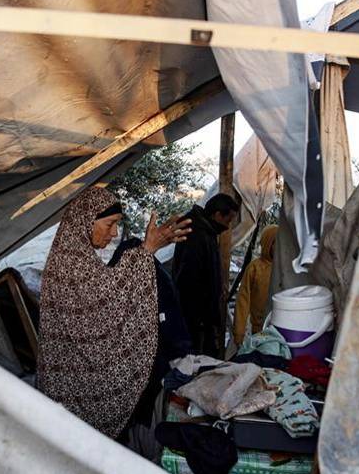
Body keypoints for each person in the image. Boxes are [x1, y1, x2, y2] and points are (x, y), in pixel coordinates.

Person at [36, 187, 190, 438]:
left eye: (117, 224)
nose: (115, 232)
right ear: (86, 221)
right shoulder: (69, 261)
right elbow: (103, 302)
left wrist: (146, 250)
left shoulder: (77, 256)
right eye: (109, 224)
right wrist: (147, 251)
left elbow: (106, 286)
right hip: (68, 389)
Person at [172, 193, 239, 357]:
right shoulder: (196, 234)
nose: (228, 226)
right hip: (194, 314)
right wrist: (203, 316)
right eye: (228, 220)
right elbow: (190, 278)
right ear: (217, 215)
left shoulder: (205, 232)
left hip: (199, 313)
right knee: (193, 358)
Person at [233, 224, 278, 347]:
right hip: (257, 329)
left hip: (279, 329)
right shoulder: (255, 268)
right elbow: (243, 300)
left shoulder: (284, 269)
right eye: (275, 243)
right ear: (268, 243)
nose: (279, 247)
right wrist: (239, 332)